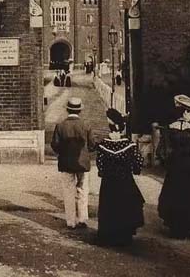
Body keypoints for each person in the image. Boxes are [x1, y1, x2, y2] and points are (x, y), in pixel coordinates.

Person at [157, 94, 190, 239]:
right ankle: (186, 227)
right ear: (185, 112)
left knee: (174, 195)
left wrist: (169, 163)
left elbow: (162, 152)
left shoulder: (169, 129)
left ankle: (174, 227)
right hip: (189, 170)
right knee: (187, 197)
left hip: (175, 168)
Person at [96, 108, 145, 246]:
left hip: (109, 182)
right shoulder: (129, 145)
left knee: (109, 207)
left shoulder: (103, 145)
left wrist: (104, 172)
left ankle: (108, 235)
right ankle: (124, 235)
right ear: (122, 129)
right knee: (125, 205)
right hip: (125, 181)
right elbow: (138, 162)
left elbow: (100, 164)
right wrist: (135, 169)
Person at [51, 97, 96, 229]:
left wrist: (63, 153)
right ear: (79, 111)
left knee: (68, 191)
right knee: (82, 190)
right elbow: (93, 145)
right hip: (82, 163)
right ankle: (82, 219)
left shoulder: (60, 126)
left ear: (67, 109)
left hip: (65, 163)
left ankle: (70, 221)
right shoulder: (86, 125)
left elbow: (55, 145)